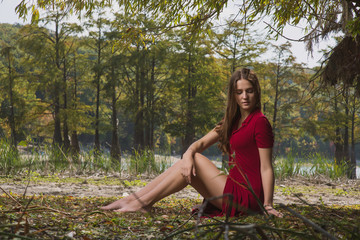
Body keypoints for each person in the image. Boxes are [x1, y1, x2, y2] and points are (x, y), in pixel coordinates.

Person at [101, 68, 283, 218]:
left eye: (249, 91)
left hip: (247, 196)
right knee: (187, 160)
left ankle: (143, 203)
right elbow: (200, 143)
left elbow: (266, 168)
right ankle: (134, 199)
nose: (245, 96)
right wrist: (187, 155)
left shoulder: (260, 122)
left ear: (256, 92)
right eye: (239, 92)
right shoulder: (232, 121)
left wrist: (267, 205)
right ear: (233, 95)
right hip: (233, 186)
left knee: (194, 160)